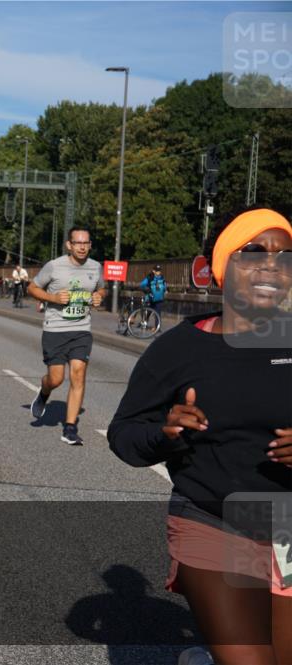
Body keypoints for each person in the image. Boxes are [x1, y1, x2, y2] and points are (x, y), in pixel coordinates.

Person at [108, 206, 292, 665]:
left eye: (286, 254)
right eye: (255, 251)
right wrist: (165, 434)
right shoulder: (180, 348)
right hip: (214, 519)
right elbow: (124, 435)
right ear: (223, 264)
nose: (274, 264)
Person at [26, 227, 106, 445]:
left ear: (90, 245)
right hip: (55, 330)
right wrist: (52, 297)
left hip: (81, 330)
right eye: (77, 243)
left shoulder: (96, 267)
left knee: (78, 374)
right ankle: (44, 392)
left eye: (86, 243)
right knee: (56, 379)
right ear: (69, 245)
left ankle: (70, 428)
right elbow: (32, 288)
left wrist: (98, 297)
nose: (82, 247)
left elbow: (101, 289)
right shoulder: (54, 266)